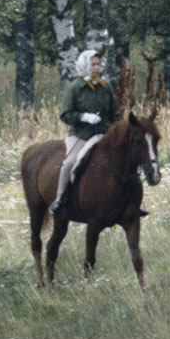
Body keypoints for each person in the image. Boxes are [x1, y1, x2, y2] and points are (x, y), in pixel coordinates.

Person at [51, 50, 117, 217]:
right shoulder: (74, 87)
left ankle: (128, 201)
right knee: (70, 162)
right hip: (80, 135)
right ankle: (60, 199)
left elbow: (115, 113)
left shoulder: (105, 86)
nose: (96, 68)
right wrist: (83, 117)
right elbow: (65, 114)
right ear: (84, 66)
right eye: (92, 65)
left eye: (98, 64)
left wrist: (115, 127)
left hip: (103, 133)